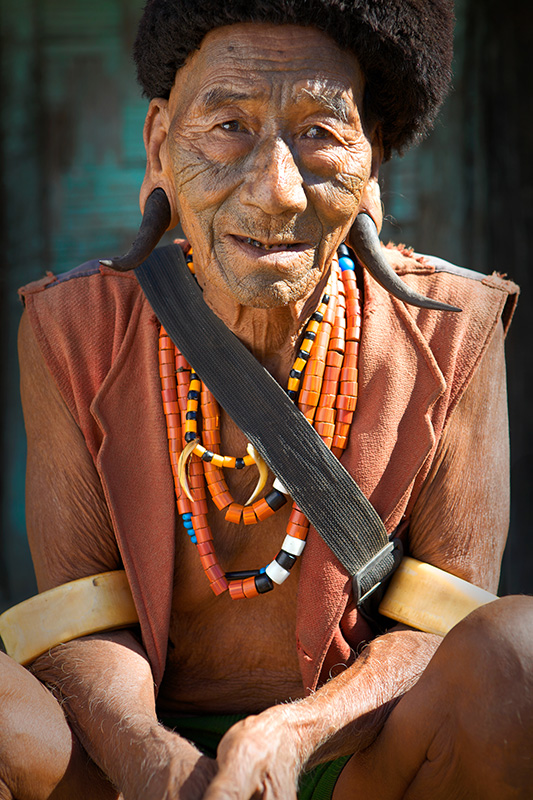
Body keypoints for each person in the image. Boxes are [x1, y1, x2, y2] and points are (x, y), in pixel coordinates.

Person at [1, 1, 532, 798]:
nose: (276, 192)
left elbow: (442, 621)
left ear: (373, 161)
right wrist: (160, 765)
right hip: (127, 769)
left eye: (320, 133)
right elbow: (81, 615)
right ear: (157, 146)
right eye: (227, 127)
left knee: (516, 653)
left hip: (360, 766)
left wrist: (292, 735)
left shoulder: (454, 332)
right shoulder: (71, 329)